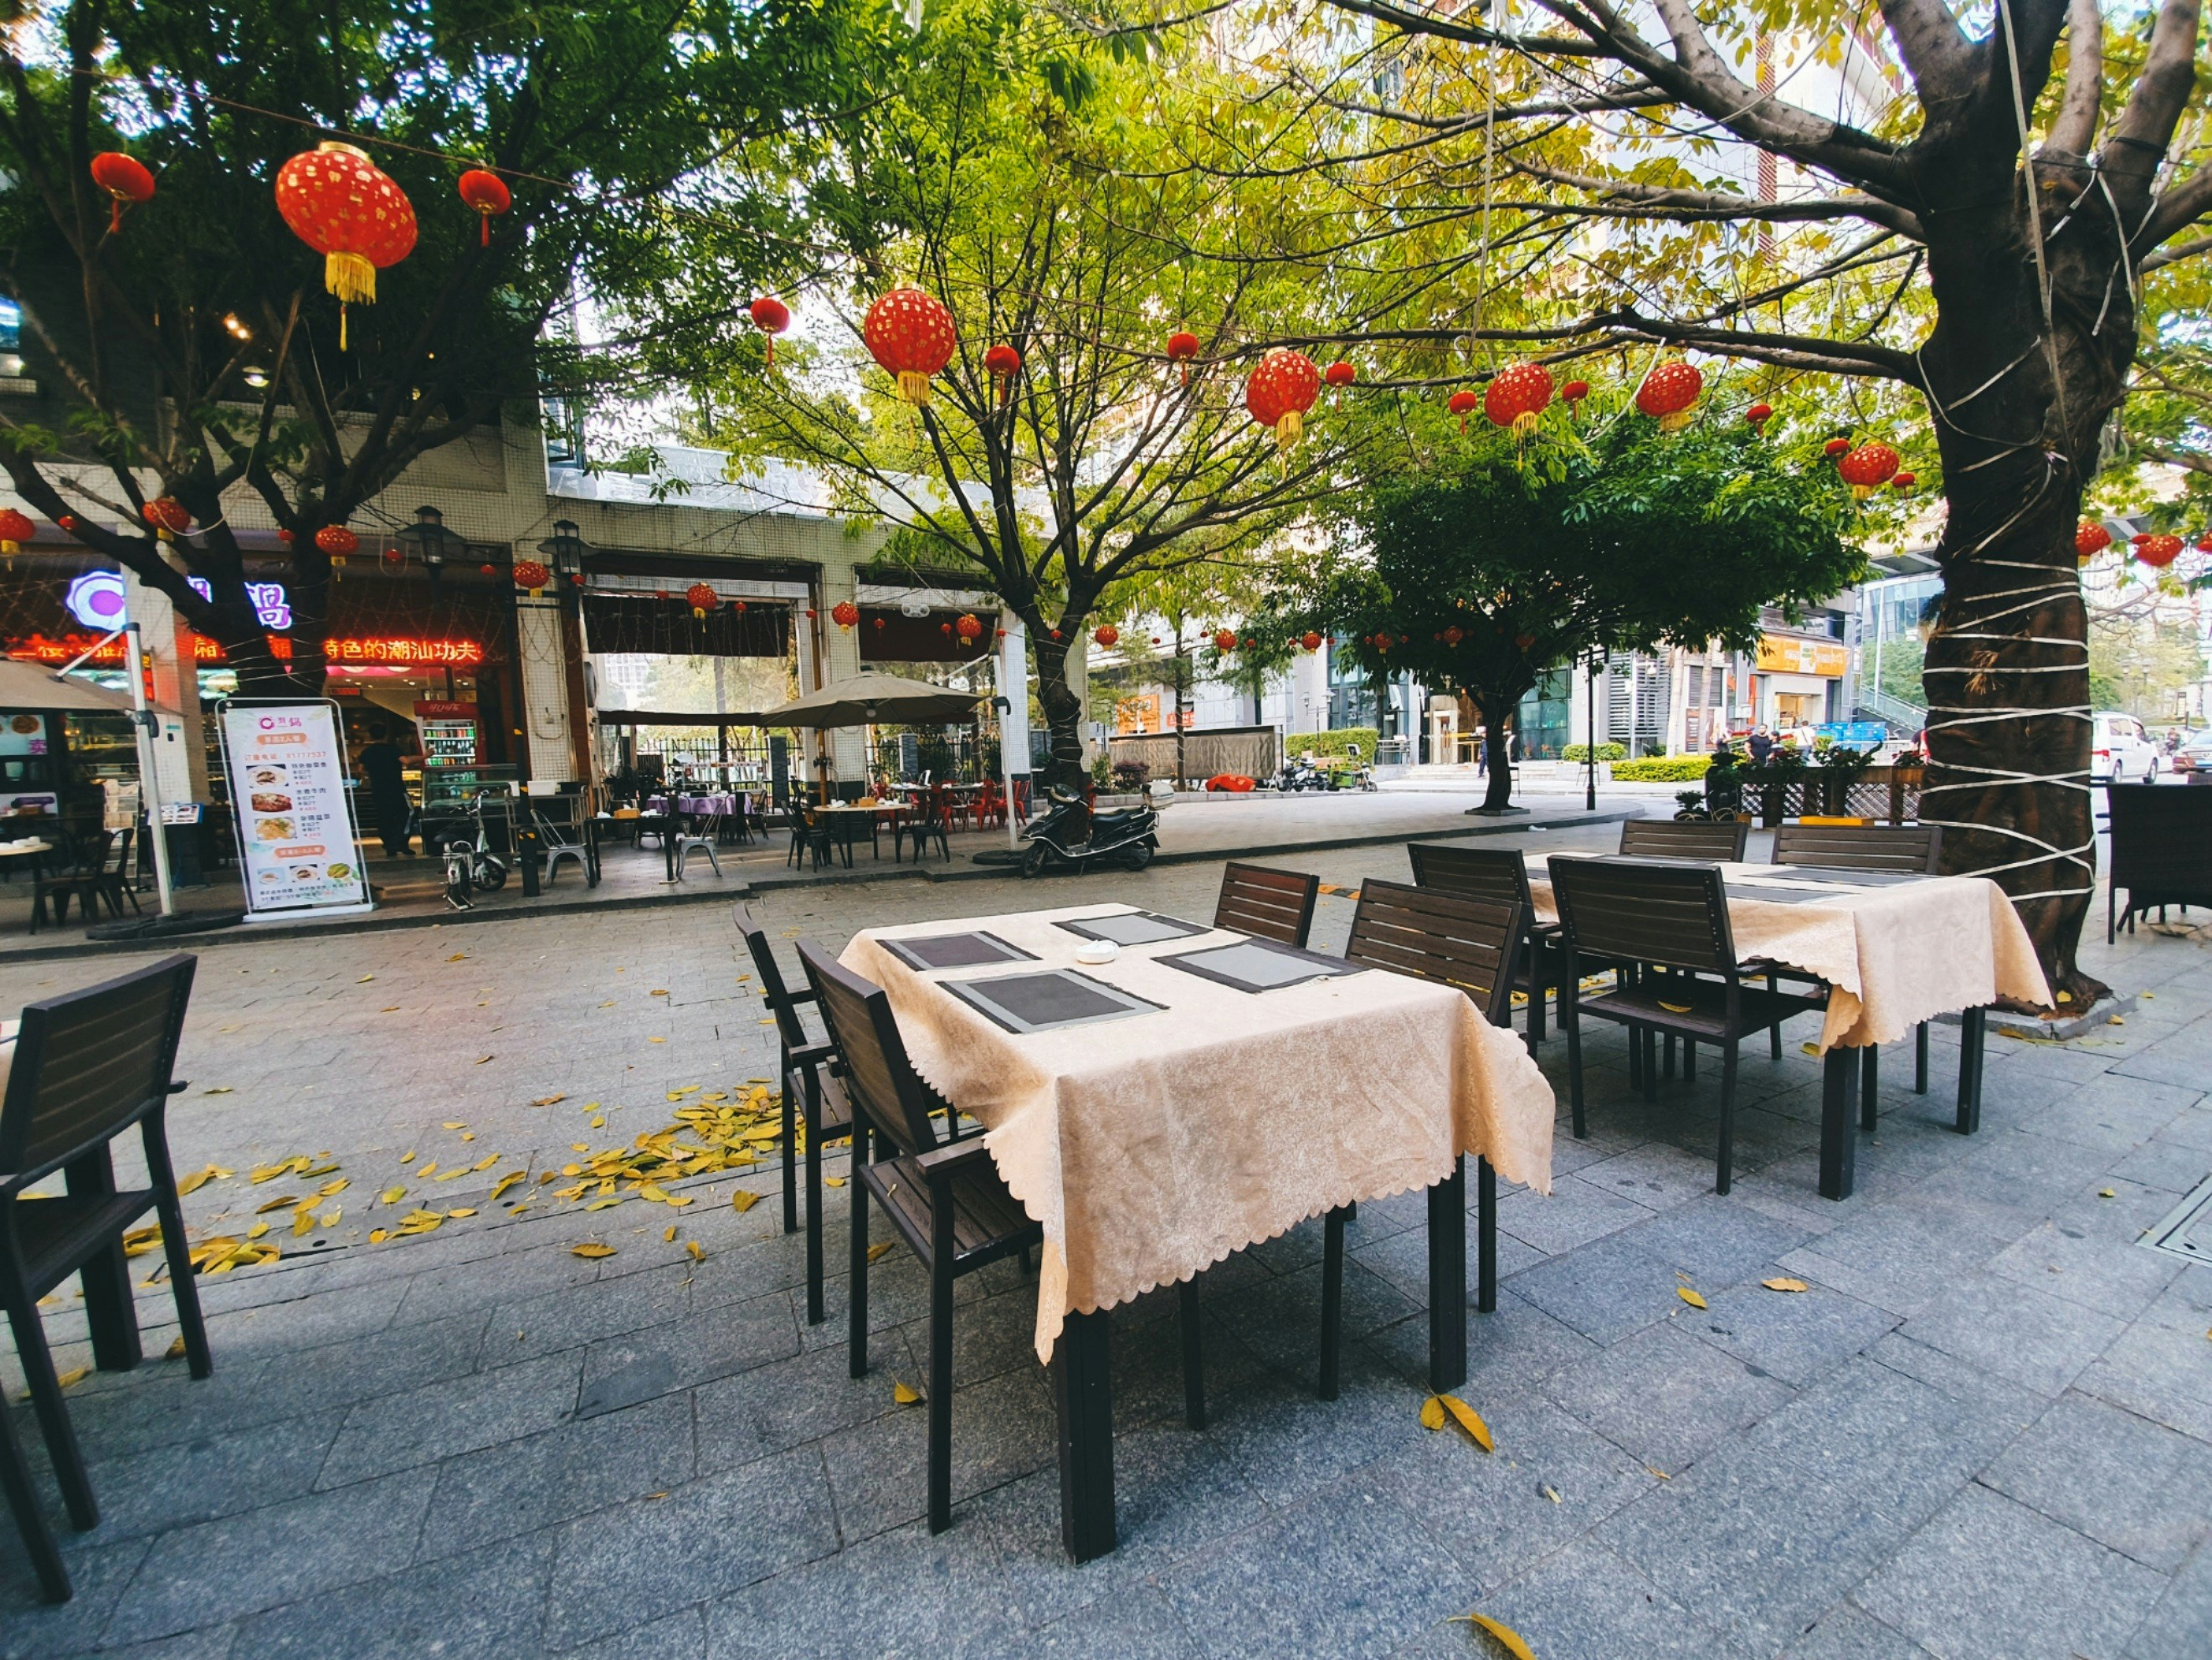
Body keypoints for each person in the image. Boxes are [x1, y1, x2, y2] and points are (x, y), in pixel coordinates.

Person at [357, 722, 413, 857]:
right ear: (386, 735)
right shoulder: (393, 749)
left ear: (370, 736)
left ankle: (389, 846)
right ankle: (403, 844)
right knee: (406, 814)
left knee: (384, 817)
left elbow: (360, 769)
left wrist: (373, 774)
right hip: (396, 789)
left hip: (378, 791)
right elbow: (406, 761)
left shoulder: (367, 752)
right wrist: (425, 756)